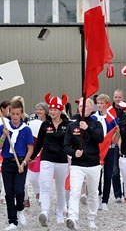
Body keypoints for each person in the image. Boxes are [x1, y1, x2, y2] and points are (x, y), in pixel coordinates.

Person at [64, 97, 104, 230]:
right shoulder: (72, 125)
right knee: (75, 191)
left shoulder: (96, 124)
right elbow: (66, 146)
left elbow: (100, 138)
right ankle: (73, 218)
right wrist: (74, 153)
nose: (82, 108)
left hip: (93, 164)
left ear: (92, 109)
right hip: (77, 164)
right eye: (81, 106)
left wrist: (88, 129)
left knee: (93, 193)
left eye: (86, 106)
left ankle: (91, 218)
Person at [30, 94, 70, 227]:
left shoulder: (68, 124)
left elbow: (72, 142)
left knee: (60, 188)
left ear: (60, 110)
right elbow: (39, 143)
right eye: (51, 109)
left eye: (55, 109)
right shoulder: (45, 125)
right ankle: (45, 212)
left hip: (62, 160)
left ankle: (60, 212)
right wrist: (31, 157)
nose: (52, 112)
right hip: (47, 159)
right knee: (45, 186)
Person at [0, 100, 34, 230]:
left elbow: (30, 148)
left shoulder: (26, 129)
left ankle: (20, 209)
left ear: (21, 114)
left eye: (17, 114)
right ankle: (12, 221)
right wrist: (3, 136)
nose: (14, 116)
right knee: (9, 193)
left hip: (21, 162)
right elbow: (0, 146)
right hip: (7, 163)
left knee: (19, 190)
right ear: (9, 113)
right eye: (12, 113)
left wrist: (24, 162)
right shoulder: (4, 127)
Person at [91, 94, 117, 211]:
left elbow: (116, 132)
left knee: (108, 174)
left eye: (103, 103)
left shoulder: (112, 118)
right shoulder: (93, 118)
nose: (100, 105)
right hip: (97, 150)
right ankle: (97, 196)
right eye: (99, 103)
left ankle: (105, 200)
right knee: (96, 174)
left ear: (107, 104)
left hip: (110, 149)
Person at [27, 102, 49, 204]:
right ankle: (38, 192)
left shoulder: (49, 122)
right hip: (34, 149)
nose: (39, 111)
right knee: (32, 177)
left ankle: (43, 196)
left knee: (43, 176)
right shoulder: (32, 121)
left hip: (46, 150)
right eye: (37, 109)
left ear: (46, 110)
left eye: (41, 109)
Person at [112, 89, 126, 202]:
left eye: (119, 97)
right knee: (115, 170)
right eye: (116, 97)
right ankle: (117, 195)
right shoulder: (110, 110)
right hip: (114, 142)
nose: (118, 99)